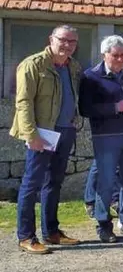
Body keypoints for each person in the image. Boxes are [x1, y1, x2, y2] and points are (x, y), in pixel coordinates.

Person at [11, 25, 82, 254]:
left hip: (65, 131)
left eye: (72, 41)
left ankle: (51, 232)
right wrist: (31, 135)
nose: (68, 45)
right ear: (51, 39)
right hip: (42, 133)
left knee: (54, 183)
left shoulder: (73, 66)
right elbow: (23, 102)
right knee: (31, 185)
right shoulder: (33, 65)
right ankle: (26, 236)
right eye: (63, 40)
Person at [79, 35, 123, 243]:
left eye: (122, 55)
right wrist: (114, 108)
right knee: (106, 183)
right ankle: (104, 225)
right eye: (115, 55)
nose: (119, 59)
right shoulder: (91, 77)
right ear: (104, 54)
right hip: (106, 136)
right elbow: (85, 109)